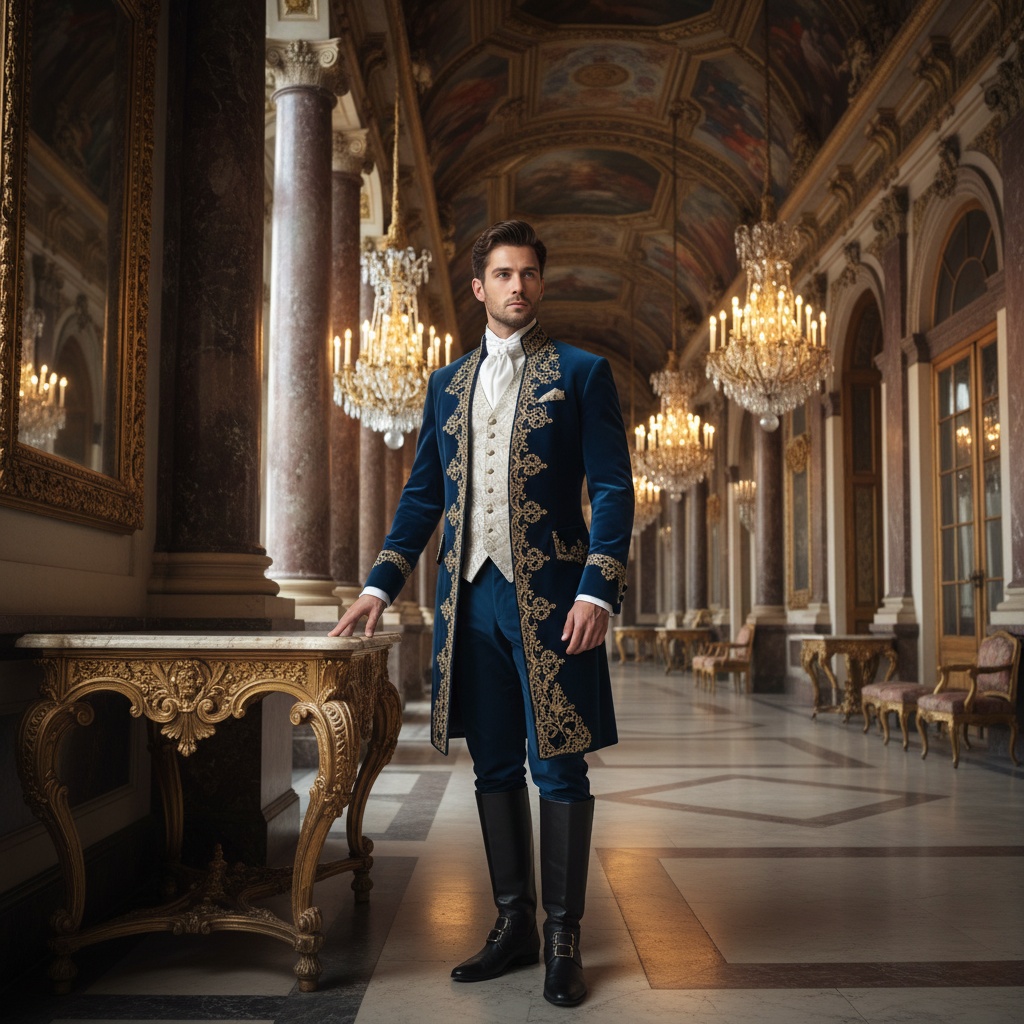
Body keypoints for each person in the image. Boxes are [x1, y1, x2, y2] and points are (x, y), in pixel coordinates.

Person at [331, 220, 633, 1007]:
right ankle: (514, 926)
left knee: (558, 765)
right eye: (503, 274)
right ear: (479, 287)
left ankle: (564, 937)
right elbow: (423, 495)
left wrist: (599, 587)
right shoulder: (446, 385)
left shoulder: (584, 372)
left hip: (556, 601)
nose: (517, 286)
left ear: (541, 282)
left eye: (529, 273)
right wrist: (378, 584)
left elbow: (612, 487)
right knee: (492, 765)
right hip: (470, 602)